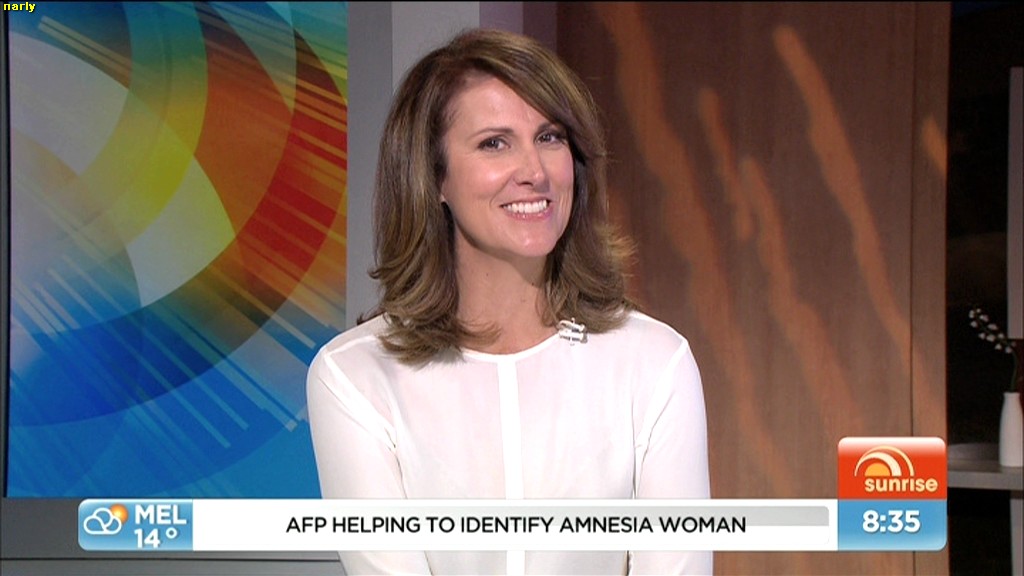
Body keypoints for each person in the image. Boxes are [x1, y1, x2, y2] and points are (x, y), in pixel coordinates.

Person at [307, 27, 711, 575]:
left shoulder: (656, 363)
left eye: (549, 137)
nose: (535, 172)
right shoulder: (355, 375)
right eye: (494, 143)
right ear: (435, 178)